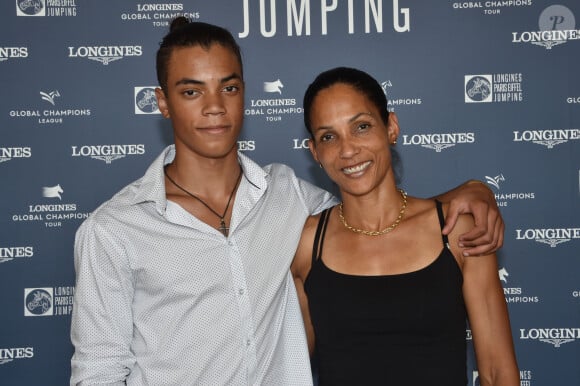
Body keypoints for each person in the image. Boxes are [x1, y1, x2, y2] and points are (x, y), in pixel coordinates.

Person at [70, 18, 504, 385]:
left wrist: (468, 193)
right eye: (191, 91)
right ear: (162, 102)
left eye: (229, 87)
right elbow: (98, 371)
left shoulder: (288, 196)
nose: (215, 107)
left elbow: (374, 202)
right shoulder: (113, 230)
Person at [292, 67, 519, 385]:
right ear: (315, 152)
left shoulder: (457, 231)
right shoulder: (306, 244)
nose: (347, 150)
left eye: (361, 126)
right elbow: (289, 368)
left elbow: (498, 373)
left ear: (391, 127)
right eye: (329, 136)